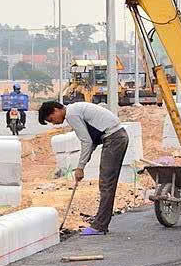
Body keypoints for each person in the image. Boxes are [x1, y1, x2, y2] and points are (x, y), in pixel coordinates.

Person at [39, 100, 129, 236]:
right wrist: (83, 165)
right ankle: (101, 221)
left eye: (52, 119)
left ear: (55, 110)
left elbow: (86, 141)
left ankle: (100, 226)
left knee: (106, 184)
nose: (54, 123)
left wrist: (80, 167)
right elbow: (91, 142)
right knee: (108, 183)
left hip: (113, 138)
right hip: (117, 136)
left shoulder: (71, 115)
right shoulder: (76, 109)